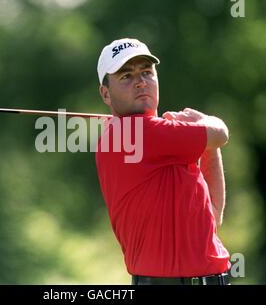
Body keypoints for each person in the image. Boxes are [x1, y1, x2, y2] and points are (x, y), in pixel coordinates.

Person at [95, 38, 231, 285]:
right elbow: (221, 134)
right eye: (126, 76)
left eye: (146, 72)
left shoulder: (158, 141)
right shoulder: (137, 133)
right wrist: (206, 119)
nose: (140, 82)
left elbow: (214, 215)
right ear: (106, 93)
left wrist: (203, 144)